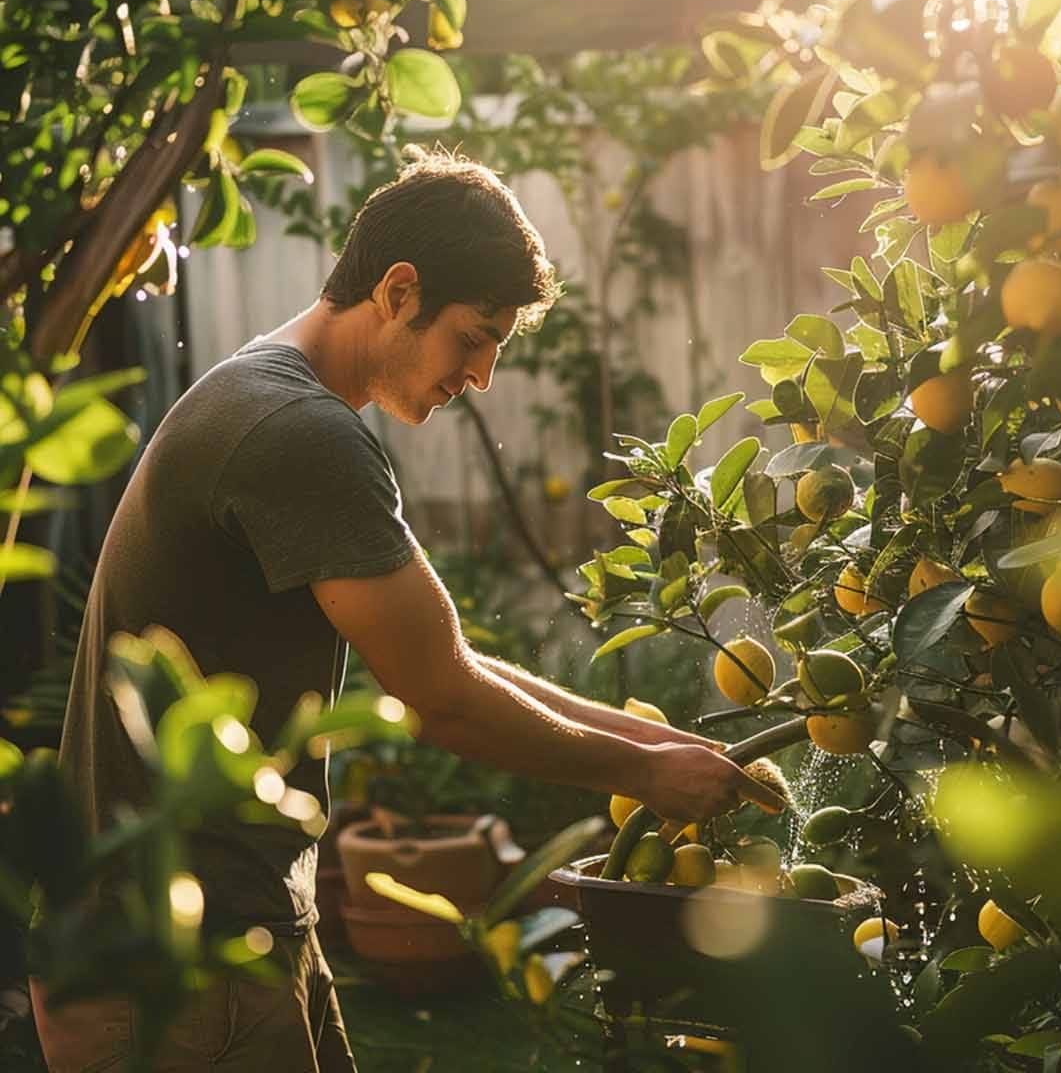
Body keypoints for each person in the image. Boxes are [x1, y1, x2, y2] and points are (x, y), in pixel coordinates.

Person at [30, 149, 781, 1071]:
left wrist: (663, 752)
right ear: (397, 290)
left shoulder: (266, 394)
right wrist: (649, 776)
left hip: (232, 930)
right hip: (171, 967)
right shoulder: (301, 434)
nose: (481, 378)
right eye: (473, 338)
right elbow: (441, 700)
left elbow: (441, 660)